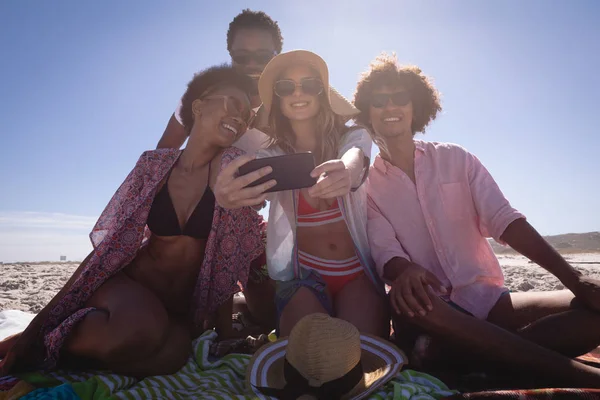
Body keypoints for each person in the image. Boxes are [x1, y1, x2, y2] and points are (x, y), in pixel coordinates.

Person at [0, 65, 265, 378]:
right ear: (199, 105)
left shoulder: (231, 174)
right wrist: (38, 324)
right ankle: (32, 344)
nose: (241, 117)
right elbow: (111, 245)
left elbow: (227, 265)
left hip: (178, 307)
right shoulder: (153, 167)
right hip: (131, 284)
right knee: (139, 329)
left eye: (247, 114)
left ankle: (69, 347)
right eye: (234, 103)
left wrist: (224, 333)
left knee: (172, 357)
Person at [354, 53, 600, 387]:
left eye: (400, 97)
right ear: (368, 111)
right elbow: (384, 251)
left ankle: (464, 360)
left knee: (594, 315)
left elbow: (506, 220)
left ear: (416, 106)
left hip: (489, 300)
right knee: (421, 302)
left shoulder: (457, 158)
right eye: (379, 101)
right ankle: (584, 376)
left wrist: (575, 279)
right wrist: (405, 270)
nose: (390, 106)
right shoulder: (366, 184)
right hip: (428, 310)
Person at [214, 50, 389, 338]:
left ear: (322, 92)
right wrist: (225, 192)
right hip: (302, 277)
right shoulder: (273, 154)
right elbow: (236, 163)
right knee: (309, 355)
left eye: (309, 84)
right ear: (278, 99)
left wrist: (348, 170)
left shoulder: (353, 135)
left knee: (362, 353)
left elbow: (357, 154)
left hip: (356, 274)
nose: (298, 93)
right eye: (286, 87)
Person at [156, 9, 283, 332]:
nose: (253, 65)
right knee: (180, 318)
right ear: (230, 56)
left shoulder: (289, 104)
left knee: (270, 314)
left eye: (263, 56)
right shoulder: (206, 96)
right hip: (193, 217)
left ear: (277, 56)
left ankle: (239, 303)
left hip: (246, 225)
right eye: (243, 57)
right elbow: (161, 157)